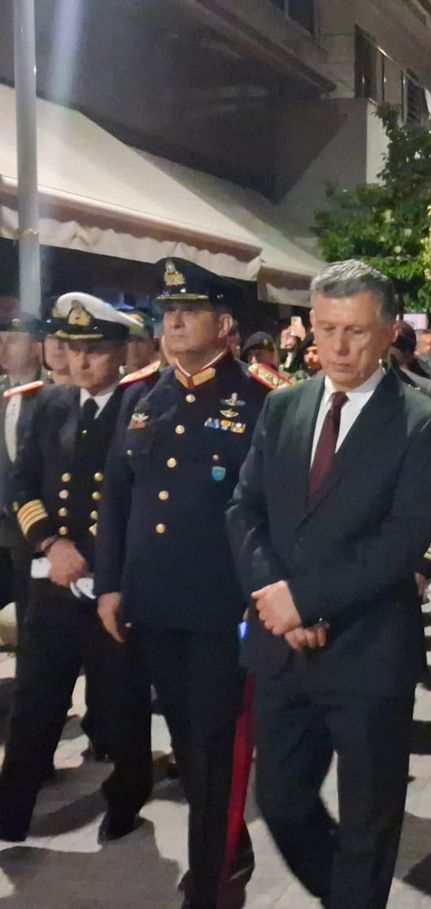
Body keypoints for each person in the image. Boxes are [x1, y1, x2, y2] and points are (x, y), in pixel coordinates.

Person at [225, 259, 431, 909]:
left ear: (387, 332)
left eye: (355, 331)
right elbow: (244, 510)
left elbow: (402, 541)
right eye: (327, 329)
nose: (339, 346)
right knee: (282, 801)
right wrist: (277, 599)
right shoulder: (284, 405)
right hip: (283, 649)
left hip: (368, 653)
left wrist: (306, 600)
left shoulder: (423, 420)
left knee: (367, 824)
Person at [96, 258, 274, 909]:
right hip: (151, 602)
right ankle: (227, 845)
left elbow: (269, 512)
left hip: (219, 605)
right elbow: (116, 498)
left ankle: (209, 878)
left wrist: (261, 596)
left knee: (212, 746)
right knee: (185, 742)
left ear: (224, 325)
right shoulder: (143, 396)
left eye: (189, 311)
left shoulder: (260, 400)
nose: (172, 322)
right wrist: (110, 584)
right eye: (167, 312)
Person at [0, 294, 152, 843]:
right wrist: (48, 542)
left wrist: (100, 559)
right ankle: (11, 814)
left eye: (96, 349)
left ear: (121, 352)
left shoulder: (142, 407)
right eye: (74, 347)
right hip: (54, 580)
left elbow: (143, 499)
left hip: (111, 585)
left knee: (120, 704)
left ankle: (127, 800)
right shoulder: (51, 404)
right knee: (35, 701)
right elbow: (22, 483)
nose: (82, 361)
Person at [0, 313, 47, 638]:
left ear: (34, 348)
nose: (3, 349)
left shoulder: (51, 395)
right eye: (0, 342)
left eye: (12, 341)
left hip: (30, 524)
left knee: (30, 616)